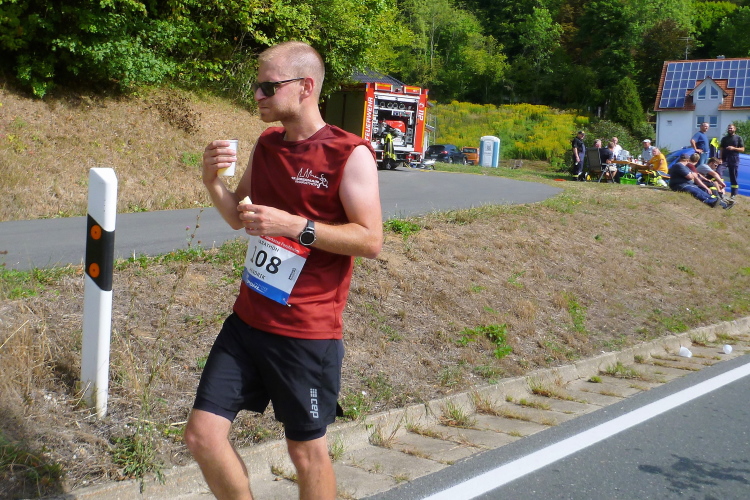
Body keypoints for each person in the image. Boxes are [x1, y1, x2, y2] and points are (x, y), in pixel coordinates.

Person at [185, 41, 383, 500]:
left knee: (306, 453)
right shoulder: (268, 144)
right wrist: (212, 182)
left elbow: (370, 240)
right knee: (202, 436)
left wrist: (296, 226)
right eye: (257, 85)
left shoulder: (348, 153)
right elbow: (239, 217)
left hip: (305, 332)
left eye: (268, 86)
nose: (257, 95)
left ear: (305, 87)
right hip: (247, 321)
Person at [719, 123, 745, 200]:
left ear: (734, 129)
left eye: (731, 128)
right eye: (729, 128)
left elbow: (742, 149)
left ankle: (733, 194)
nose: (730, 129)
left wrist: (733, 148)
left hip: (734, 158)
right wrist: (720, 158)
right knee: (719, 171)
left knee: (733, 176)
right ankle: (720, 191)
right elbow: (721, 149)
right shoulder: (724, 138)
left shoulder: (738, 138)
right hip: (725, 158)